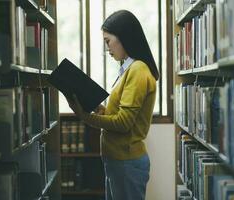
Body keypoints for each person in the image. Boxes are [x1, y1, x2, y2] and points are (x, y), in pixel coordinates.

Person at [66, 10, 159, 200]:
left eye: (108, 41)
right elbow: (117, 113)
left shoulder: (138, 70)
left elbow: (124, 123)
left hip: (126, 161)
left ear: (123, 37)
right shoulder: (127, 69)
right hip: (118, 160)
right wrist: (98, 109)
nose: (107, 48)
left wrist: (85, 117)